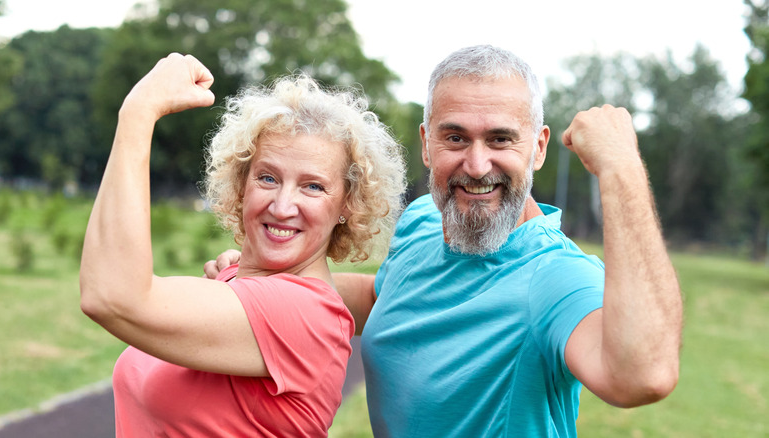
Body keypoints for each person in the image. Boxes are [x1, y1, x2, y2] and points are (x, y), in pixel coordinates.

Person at [206, 45, 683, 437]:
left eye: (500, 140)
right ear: (427, 143)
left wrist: (620, 169)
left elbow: (645, 376)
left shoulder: (554, 278)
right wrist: (265, 283)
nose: (476, 165)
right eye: (455, 138)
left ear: (537, 148)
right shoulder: (422, 222)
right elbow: (384, 297)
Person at [79, 53, 406, 437]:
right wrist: (238, 276)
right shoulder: (245, 284)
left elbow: (112, 296)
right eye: (267, 178)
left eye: (313, 186)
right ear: (241, 183)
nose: (283, 206)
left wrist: (139, 110)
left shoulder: (304, 314)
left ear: (347, 205)